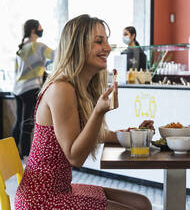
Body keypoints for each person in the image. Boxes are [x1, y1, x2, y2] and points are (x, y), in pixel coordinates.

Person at [14, 14, 152, 210]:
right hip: (42, 199)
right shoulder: (62, 89)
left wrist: (132, 135)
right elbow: (75, 157)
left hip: (61, 190)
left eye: (106, 40)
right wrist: (98, 113)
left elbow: (90, 134)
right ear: (77, 46)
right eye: (98, 41)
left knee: (142, 203)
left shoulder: (77, 87)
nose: (107, 47)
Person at [12, 19, 54, 158]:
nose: (42, 29)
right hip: (30, 88)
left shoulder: (21, 47)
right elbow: (56, 56)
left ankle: (11, 154)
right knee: (27, 122)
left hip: (17, 89)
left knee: (19, 122)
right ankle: (25, 155)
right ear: (33, 30)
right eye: (40, 27)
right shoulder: (39, 46)